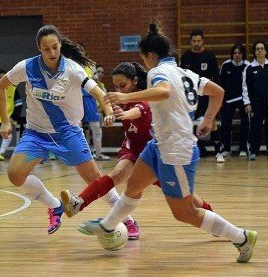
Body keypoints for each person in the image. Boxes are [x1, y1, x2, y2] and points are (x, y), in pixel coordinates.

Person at [78, 22, 257, 263]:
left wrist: (126, 96)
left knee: (185, 213)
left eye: (144, 58)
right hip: (159, 144)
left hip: (177, 150)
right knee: (134, 186)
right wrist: (208, 119)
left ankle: (242, 237)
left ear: (150, 55)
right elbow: (218, 92)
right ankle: (108, 225)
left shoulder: (156, 72)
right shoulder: (186, 73)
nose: (145, 64)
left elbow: (164, 92)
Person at [61, 62, 213, 240]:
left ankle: (214, 220)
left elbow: (138, 111)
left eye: (122, 86)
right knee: (117, 174)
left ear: (134, 81)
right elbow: (112, 108)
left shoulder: (145, 97)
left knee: (190, 201)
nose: (119, 90)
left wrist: (124, 114)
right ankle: (79, 203)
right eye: (116, 86)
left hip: (155, 155)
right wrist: (111, 114)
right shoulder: (121, 98)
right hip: (133, 150)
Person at [0, 24, 121, 235]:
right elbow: (1, 86)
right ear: (39, 48)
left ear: (60, 45)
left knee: (95, 179)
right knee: (15, 175)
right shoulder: (26, 67)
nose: (52, 53)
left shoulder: (73, 69)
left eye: (55, 47)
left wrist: (108, 110)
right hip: (36, 133)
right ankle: (54, 205)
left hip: (68, 133)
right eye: (46, 49)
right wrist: (5, 121)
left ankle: (126, 218)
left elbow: (98, 92)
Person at [180, 29, 224, 163]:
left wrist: (217, 98)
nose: (196, 43)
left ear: (203, 41)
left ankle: (219, 152)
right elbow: (182, 77)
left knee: (212, 122)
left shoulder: (209, 56)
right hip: (191, 96)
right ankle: (194, 151)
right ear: (190, 41)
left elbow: (216, 77)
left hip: (207, 95)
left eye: (199, 41)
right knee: (189, 123)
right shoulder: (186, 56)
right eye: (194, 41)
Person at [242, 40, 268, 160]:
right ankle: (253, 151)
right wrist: (247, 103)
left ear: (266, 51)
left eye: (262, 48)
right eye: (257, 49)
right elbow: (245, 87)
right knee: (255, 128)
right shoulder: (249, 69)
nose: (260, 51)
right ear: (254, 52)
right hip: (256, 104)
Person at [219, 44, 250, 157]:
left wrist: (249, 102)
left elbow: (250, 85)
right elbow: (220, 84)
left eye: (239, 53)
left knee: (245, 123)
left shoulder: (248, 66)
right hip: (228, 100)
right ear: (232, 54)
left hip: (243, 100)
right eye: (235, 53)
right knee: (225, 122)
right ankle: (226, 148)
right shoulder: (226, 65)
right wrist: (221, 101)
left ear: (243, 54)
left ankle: (243, 148)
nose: (237, 55)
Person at [80, 47, 110, 161]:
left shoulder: (90, 65)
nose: (80, 52)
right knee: (76, 127)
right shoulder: (70, 65)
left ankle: (99, 154)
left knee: (96, 127)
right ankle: (79, 154)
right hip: (77, 98)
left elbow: (96, 82)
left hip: (89, 97)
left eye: (82, 50)